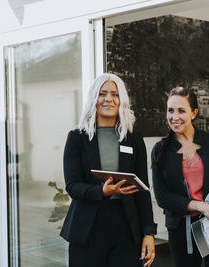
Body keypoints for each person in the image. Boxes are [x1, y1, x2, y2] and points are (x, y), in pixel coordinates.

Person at [60, 73, 157, 267]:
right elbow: (72, 185)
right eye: (102, 94)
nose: (108, 99)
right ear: (94, 99)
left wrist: (148, 233)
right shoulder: (77, 138)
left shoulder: (133, 139)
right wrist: (101, 191)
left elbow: (142, 190)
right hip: (87, 226)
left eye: (115, 94)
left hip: (126, 226)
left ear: (122, 100)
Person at [151, 87, 209, 267]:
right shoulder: (159, 149)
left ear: (194, 113)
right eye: (171, 110)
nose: (174, 117)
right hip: (180, 228)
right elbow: (162, 197)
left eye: (181, 111)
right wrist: (201, 206)